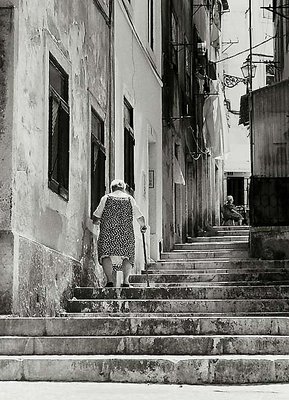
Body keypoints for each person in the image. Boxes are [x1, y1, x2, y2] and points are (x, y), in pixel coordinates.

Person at [93, 179, 147, 288]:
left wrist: (96, 221)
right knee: (127, 256)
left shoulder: (106, 198)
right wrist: (143, 226)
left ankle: (109, 281)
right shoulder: (129, 199)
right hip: (126, 233)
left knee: (106, 255)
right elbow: (139, 216)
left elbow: (96, 216)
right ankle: (126, 282)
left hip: (108, 231)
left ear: (111, 188)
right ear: (124, 188)